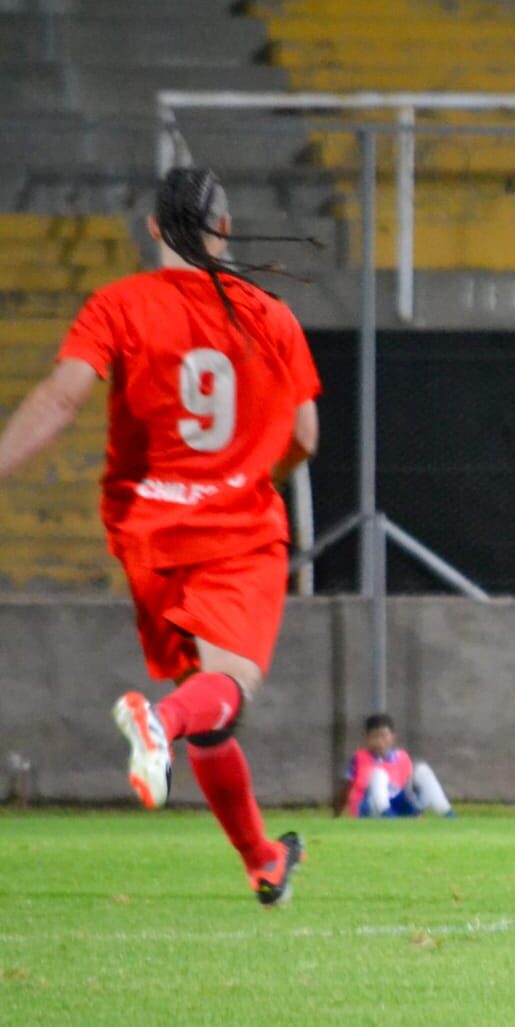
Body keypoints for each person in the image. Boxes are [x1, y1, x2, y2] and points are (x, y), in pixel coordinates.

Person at [0, 166, 321, 906]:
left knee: (211, 710)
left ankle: (263, 857)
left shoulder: (118, 304)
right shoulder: (269, 315)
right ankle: (156, 720)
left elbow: (58, 400)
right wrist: (257, 470)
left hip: (147, 532)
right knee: (224, 693)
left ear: (153, 229)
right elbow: (304, 433)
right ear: (226, 229)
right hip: (236, 531)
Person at [340, 713, 454, 818]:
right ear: (367, 739)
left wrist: (415, 809)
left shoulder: (402, 757)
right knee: (379, 774)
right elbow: (348, 786)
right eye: (375, 737)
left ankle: (446, 812)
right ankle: (385, 813)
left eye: (384, 736)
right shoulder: (359, 758)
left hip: (397, 803)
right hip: (369, 806)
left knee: (422, 770)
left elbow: (407, 788)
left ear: (392, 738)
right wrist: (345, 810)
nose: (380, 742)